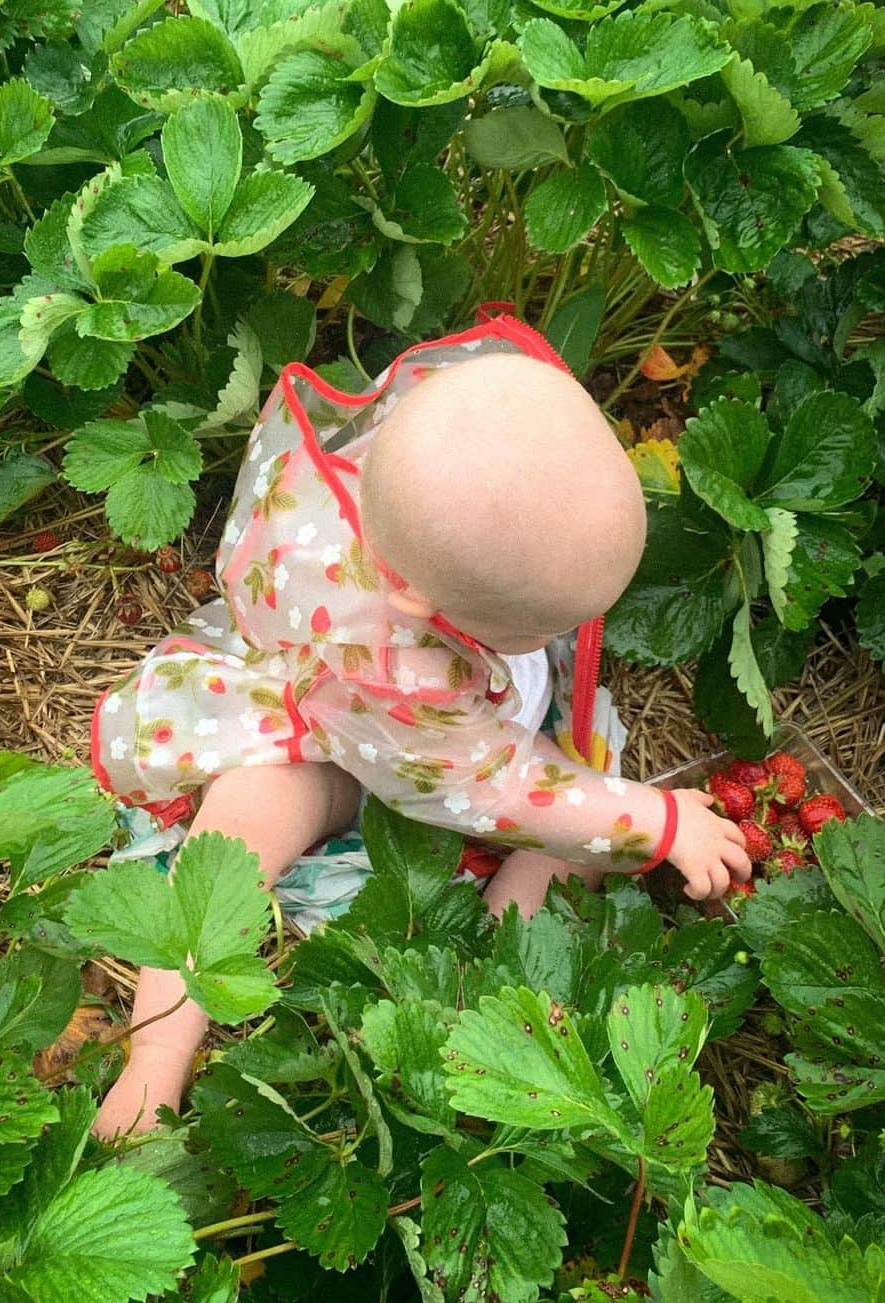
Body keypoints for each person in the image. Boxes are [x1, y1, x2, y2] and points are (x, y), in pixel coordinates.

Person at [89, 305, 751, 1137]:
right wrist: (648, 819)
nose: (562, 639)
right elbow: (492, 783)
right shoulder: (396, 665)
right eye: (542, 630)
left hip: (421, 730)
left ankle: (487, 993)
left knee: (572, 818)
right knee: (249, 816)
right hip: (355, 738)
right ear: (417, 600)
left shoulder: (429, 447)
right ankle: (155, 1063)